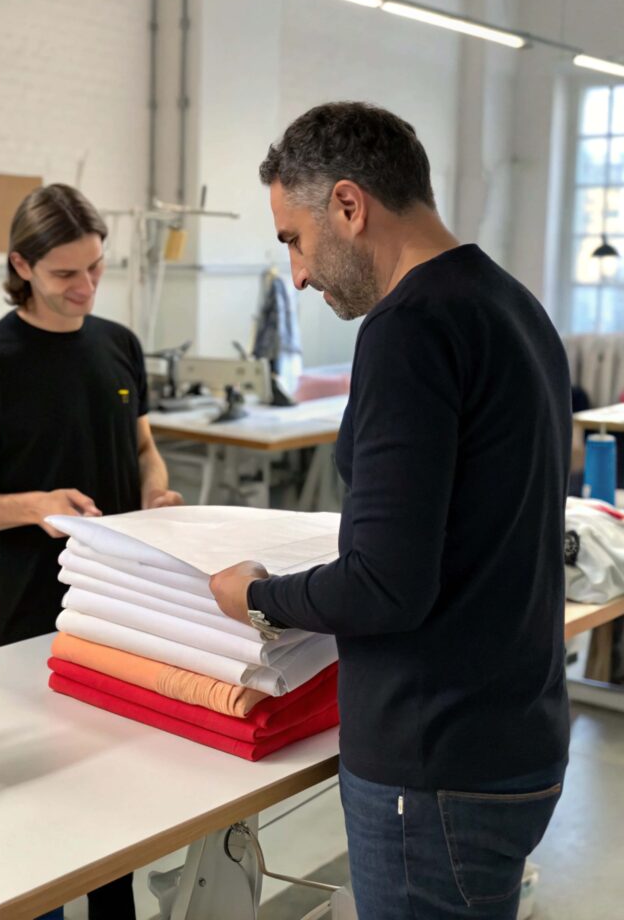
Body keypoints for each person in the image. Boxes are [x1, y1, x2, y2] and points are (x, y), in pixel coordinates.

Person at [209, 103, 571, 920]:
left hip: (435, 765)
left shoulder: (407, 329)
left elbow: (385, 586)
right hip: (515, 735)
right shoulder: (512, 305)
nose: (297, 274)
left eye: (293, 240)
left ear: (348, 205)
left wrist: (258, 596)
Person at [0, 182, 183, 920]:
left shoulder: (117, 345)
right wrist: (31, 505)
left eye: (97, 267)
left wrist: (156, 494)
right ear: (23, 266)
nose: (87, 286)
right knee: (37, 822)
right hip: (34, 618)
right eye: (67, 273)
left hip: (125, 611)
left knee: (115, 809)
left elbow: (143, 450)